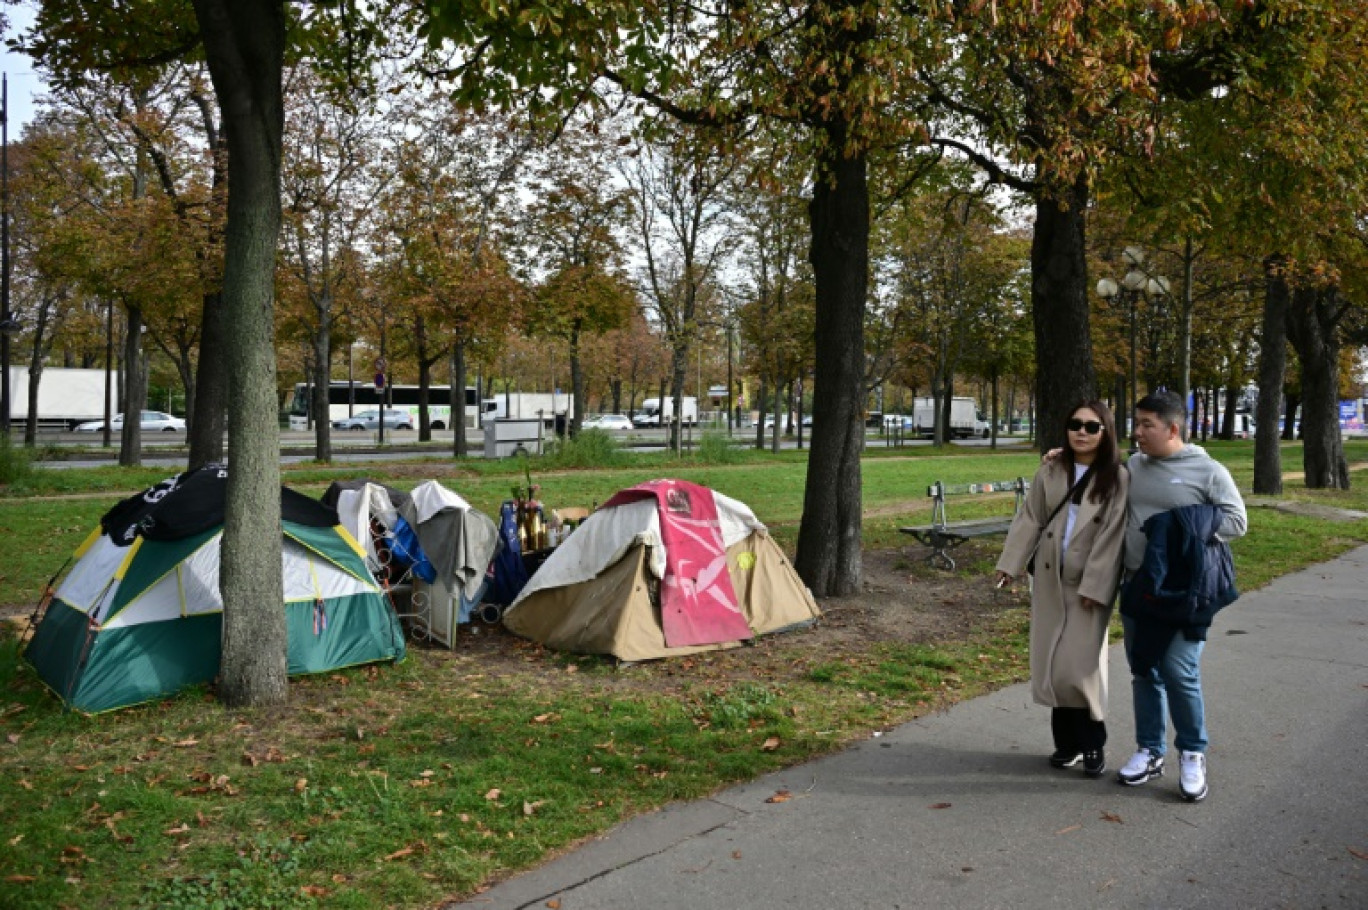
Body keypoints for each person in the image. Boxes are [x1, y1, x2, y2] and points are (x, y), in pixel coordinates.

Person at [1115, 390, 1246, 802]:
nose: (1137, 433)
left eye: (1146, 425)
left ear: (1173, 428)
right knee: (1144, 669)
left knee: (1179, 670)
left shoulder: (1208, 470)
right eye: (1136, 424)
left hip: (1187, 592)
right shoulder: (1135, 465)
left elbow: (1238, 522)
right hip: (1138, 586)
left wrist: (1181, 528)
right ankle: (1149, 751)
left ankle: (1192, 751)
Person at [995, 401, 1129, 778]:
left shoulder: (1117, 477)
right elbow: (1031, 517)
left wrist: (1096, 585)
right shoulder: (1051, 470)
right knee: (1054, 665)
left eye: (1091, 426)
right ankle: (1066, 744)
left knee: (1081, 668)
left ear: (1105, 432)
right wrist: (1011, 564)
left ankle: (1092, 744)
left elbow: (1112, 536)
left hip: (1087, 585)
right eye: (1075, 424)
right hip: (1050, 579)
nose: (1081, 432)